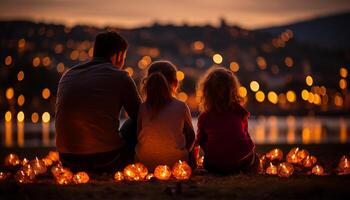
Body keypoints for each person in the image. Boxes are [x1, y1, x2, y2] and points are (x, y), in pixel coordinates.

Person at [55, 31, 141, 172]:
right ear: (118, 56)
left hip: (67, 161)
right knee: (135, 122)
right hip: (106, 160)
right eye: (124, 57)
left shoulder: (68, 74)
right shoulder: (121, 77)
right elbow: (140, 116)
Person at [196, 67, 258, 174]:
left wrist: (214, 151)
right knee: (255, 158)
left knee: (207, 159)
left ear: (207, 92)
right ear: (233, 91)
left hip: (215, 165)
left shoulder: (204, 117)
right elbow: (245, 135)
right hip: (243, 162)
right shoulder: (240, 112)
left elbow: (200, 140)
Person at [135, 61, 195, 170]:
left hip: (145, 164)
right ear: (175, 83)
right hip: (176, 164)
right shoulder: (181, 106)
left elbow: (139, 134)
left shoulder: (143, 107)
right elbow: (191, 136)